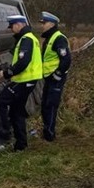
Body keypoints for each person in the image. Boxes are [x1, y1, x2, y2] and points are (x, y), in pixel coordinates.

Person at [0, 14, 43, 151]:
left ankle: (4, 134)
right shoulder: (29, 38)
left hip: (23, 80)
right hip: (27, 80)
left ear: (19, 24)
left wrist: (6, 73)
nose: (11, 30)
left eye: (12, 26)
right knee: (17, 112)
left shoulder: (26, 40)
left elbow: (23, 62)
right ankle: (21, 144)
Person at [38, 11, 72, 141]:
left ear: (52, 24)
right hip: (49, 78)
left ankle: (50, 134)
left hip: (55, 78)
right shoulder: (49, 38)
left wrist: (57, 74)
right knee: (45, 105)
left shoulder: (58, 38)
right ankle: (47, 131)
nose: (42, 26)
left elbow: (66, 59)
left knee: (51, 105)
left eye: (44, 23)